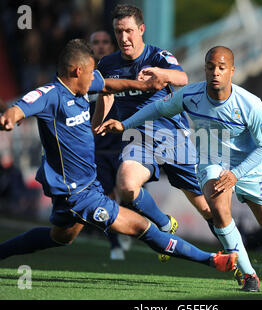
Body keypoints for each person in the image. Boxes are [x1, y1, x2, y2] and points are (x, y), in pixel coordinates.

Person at [0, 39, 238, 276]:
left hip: (82, 186)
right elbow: (20, 107)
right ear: (77, 71)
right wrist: (10, 117)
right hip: (78, 193)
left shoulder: (80, 84)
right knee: (141, 226)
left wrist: (142, 86)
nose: (96, 77)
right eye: (92, 72)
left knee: (60, 236)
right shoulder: (50, 95)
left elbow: (109, 85)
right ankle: (212, 260)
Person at [96, 46, 262, 292]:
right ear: (205, 69)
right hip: (212, 159)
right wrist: (125, 125)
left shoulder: (251, 104)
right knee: (218, 209)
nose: (215, 73)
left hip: (248, 167)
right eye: (211, 67)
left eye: (222, 68)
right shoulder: (191, 95)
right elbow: (157, 108)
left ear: (232, 70)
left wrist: (237, 174)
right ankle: (249, 275)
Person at [92, 4, 214, 264]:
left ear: (141, 30)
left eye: (128, 31)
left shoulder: (158, 56)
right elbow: (107, 96)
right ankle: (163, 223)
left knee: (206, 209)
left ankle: (236, 257)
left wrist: (161, 73)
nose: (123, 38)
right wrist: (97, 124)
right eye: (118, 32)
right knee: (126, 186)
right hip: (137, 140)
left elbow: (181, 78)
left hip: (173, 137)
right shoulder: (108, 64)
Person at [89, 30, 131, 260]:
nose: (101, 46)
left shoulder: (119, 72)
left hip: (124, 145)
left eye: (106, 42)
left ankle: (129, 227)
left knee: (128, 192)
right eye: (96, 42)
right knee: (106, 197)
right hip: (98, 149)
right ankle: (115, 242)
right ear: (90, 47)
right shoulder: (82, 76)